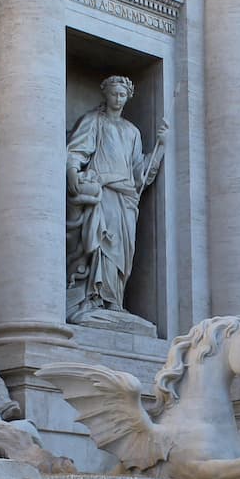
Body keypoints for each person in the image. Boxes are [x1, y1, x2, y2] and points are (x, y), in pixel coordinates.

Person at [64, 76, 165, 321]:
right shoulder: (93, 121)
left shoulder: (132, 131)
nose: (118, 99)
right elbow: (76, 151)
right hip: (103, 192)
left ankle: (114, 301)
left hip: (126, 198)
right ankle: (94, 297)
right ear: (106, 95)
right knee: (102, 245)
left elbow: (139, 171)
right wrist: (72, 171)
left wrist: (161, 147)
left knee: (122, 252)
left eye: (122, 95)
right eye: (114, 94)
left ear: (127, 97)